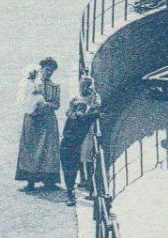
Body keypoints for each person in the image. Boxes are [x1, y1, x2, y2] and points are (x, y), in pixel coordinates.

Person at [14, 57, 62, 190]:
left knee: (49, 149)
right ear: (42, 69)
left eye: (52, 71)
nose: (49, 73)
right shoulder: (31, 83)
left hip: (48, 121)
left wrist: (47, 105)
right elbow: (24, 99)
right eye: (47, 70)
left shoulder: (55, 86)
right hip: (32, 119)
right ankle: (30, 180)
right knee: (30, 148)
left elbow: (57, 104)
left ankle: (49, 180)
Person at [59, 77, 102, 204]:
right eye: (82, 85)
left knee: (87, 158)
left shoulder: (94, 98)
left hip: (86, 133)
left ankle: (89, 185)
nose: (83, 88)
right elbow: (70, 113)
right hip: (72, 135)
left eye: (86, 86)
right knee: (70, 162)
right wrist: (76, 114)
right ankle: (71, 192)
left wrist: (87, 112)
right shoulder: (75, 100)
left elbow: (96, 109)